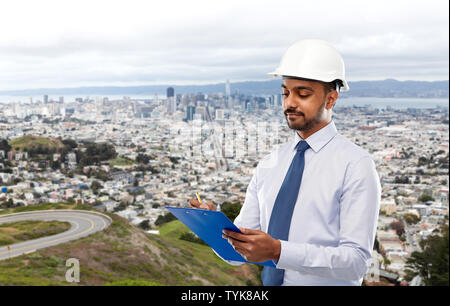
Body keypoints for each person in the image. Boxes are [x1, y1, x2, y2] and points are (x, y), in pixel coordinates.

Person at [189, 39, 381, 286]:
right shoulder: (270, 163)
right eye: (285, 93)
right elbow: (235, 255)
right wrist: (214, 227)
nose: (289, 103)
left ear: (331, 99)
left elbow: (356, 264)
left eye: (303, 94)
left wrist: (279, 251)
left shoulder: (355, 165)